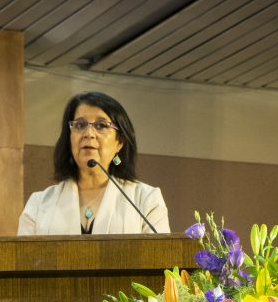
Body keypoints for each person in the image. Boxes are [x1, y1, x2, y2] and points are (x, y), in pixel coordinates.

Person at [17, 91, 170, 235]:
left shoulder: (146, 200)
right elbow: (23, 255)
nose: (89, 134)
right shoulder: (39, 205)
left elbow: (161, 253)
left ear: (120, 142)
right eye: (80, 125)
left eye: (101, 125)